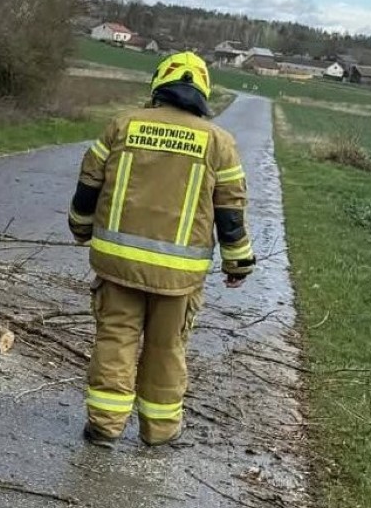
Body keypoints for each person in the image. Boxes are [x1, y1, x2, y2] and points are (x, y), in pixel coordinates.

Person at [68, 51, 256, 448]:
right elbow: (231, 207)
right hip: (179, 276)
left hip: (118, 265)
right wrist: (237, 261)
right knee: (167, 348)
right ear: (202, 91)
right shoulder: (218, 143)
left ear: (159, 84)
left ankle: (104, 425)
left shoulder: (123, 125)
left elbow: (89, 182)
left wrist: (81, 228)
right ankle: (160, 430)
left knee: (115, 339)